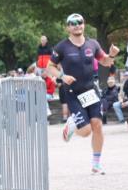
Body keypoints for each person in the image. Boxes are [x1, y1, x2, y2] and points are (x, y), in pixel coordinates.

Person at [44, 13, 120, 174]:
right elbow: (49, 67)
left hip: (91, 90)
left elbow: (105, 61)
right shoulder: (62, 47)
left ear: (84, 25)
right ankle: (71, 125)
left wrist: (112, 54)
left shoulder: (92, 44)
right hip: (72, 92)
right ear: (68, 27)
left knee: (97, 125)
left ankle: (96, 163)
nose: (76, 25)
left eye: (79, 22)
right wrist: (62, 76)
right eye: (72, 23)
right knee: (85, 132)